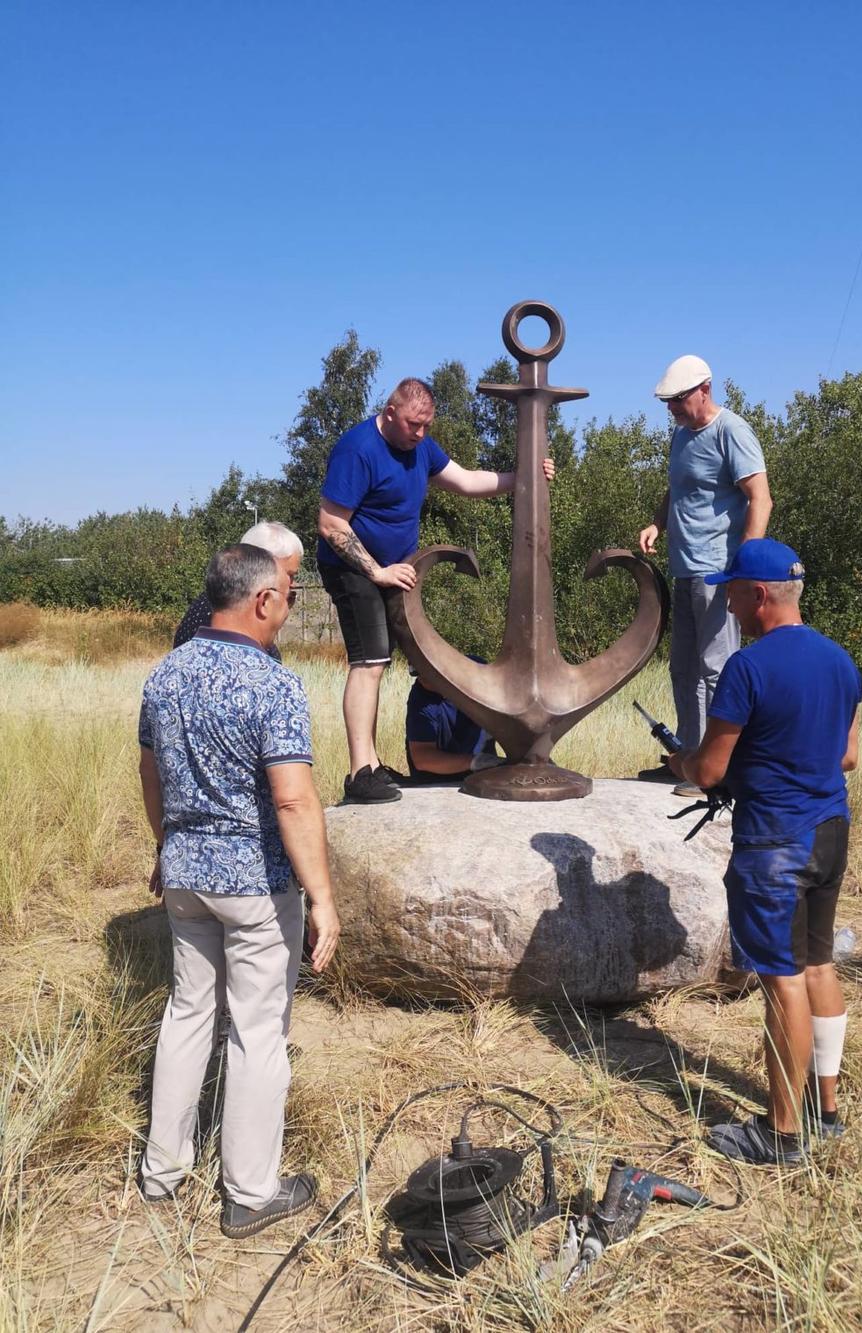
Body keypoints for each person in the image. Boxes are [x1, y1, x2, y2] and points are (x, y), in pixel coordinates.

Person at [138, 543, 341, 1236]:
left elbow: (151, 773)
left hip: (186, 873)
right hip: (256, 882)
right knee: (258, 1030)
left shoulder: (165, 674)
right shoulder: (272, 683)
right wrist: (322, 895)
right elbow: (292, 800)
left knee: (188, 1011)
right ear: (259, 600)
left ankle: (162, 1169)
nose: (285, 610)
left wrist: (167, 843)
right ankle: (250, 1190)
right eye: (284, 598)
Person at [667, 538, 862, 1166]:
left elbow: (708, 770)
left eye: (732, 593)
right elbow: (847, 757)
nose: (728, 602)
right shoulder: (841, 662)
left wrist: (684, 760)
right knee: (818, 968)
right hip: (831, 831)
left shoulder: (747, 669)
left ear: (759, 596)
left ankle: (780, 1136)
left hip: (776, 845)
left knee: (783, 984)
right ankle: (824, 1110)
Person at [317, 377, 554, 805]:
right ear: (390, 413)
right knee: (370, 661)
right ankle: (360, 772)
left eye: (427, 425)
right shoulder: (357, 449)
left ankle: (385, 762)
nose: (421, 434)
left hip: (398, 570)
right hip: (355, 568)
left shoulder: (420, 448)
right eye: (413, 425)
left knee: (408, 663)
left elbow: (464, 482)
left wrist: (524, 477)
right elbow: (331, 524)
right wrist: (377, 571)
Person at [639, 356, 772, 795]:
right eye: (668, 402)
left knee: (717, 668)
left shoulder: (731, 431)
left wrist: (746, 564)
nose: (672, 409)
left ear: (705, 390)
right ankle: (689, 762)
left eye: (678, 400)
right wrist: (658, 523)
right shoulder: (681, 436)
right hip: (684, 567)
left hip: (719, 571)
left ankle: (719, 771)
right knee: (684, 669)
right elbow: (677, 487)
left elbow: (761, 499)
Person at [172, 521, 304, 661]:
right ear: (260, 562)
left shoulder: (217, 603)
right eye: (289, 574)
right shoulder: (214, 616)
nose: (292, 584)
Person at [405, 661, 501, 784]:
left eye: (432, 674)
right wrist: (475, 762)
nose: (425, 681)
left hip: (483, 773)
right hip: (437, 779)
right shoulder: (422, 703)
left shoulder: (476, 669)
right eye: (421, 675)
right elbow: (422, 758)